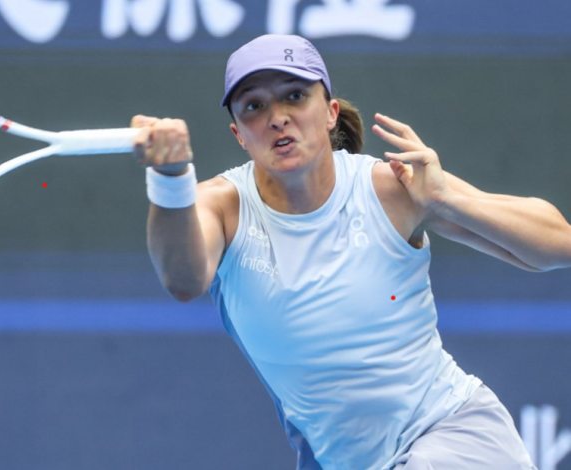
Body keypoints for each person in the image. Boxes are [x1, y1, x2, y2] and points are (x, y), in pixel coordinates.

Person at [131, 34, 571, 470]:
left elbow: (559, 244)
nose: (277, 118)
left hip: (454, 433)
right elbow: (184, 280)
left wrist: (448, 201)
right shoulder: (220, 207)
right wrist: (171, 180)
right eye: (254, 106)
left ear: (330, 112)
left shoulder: (390, 187)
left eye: (295, 96)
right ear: (239, 135)